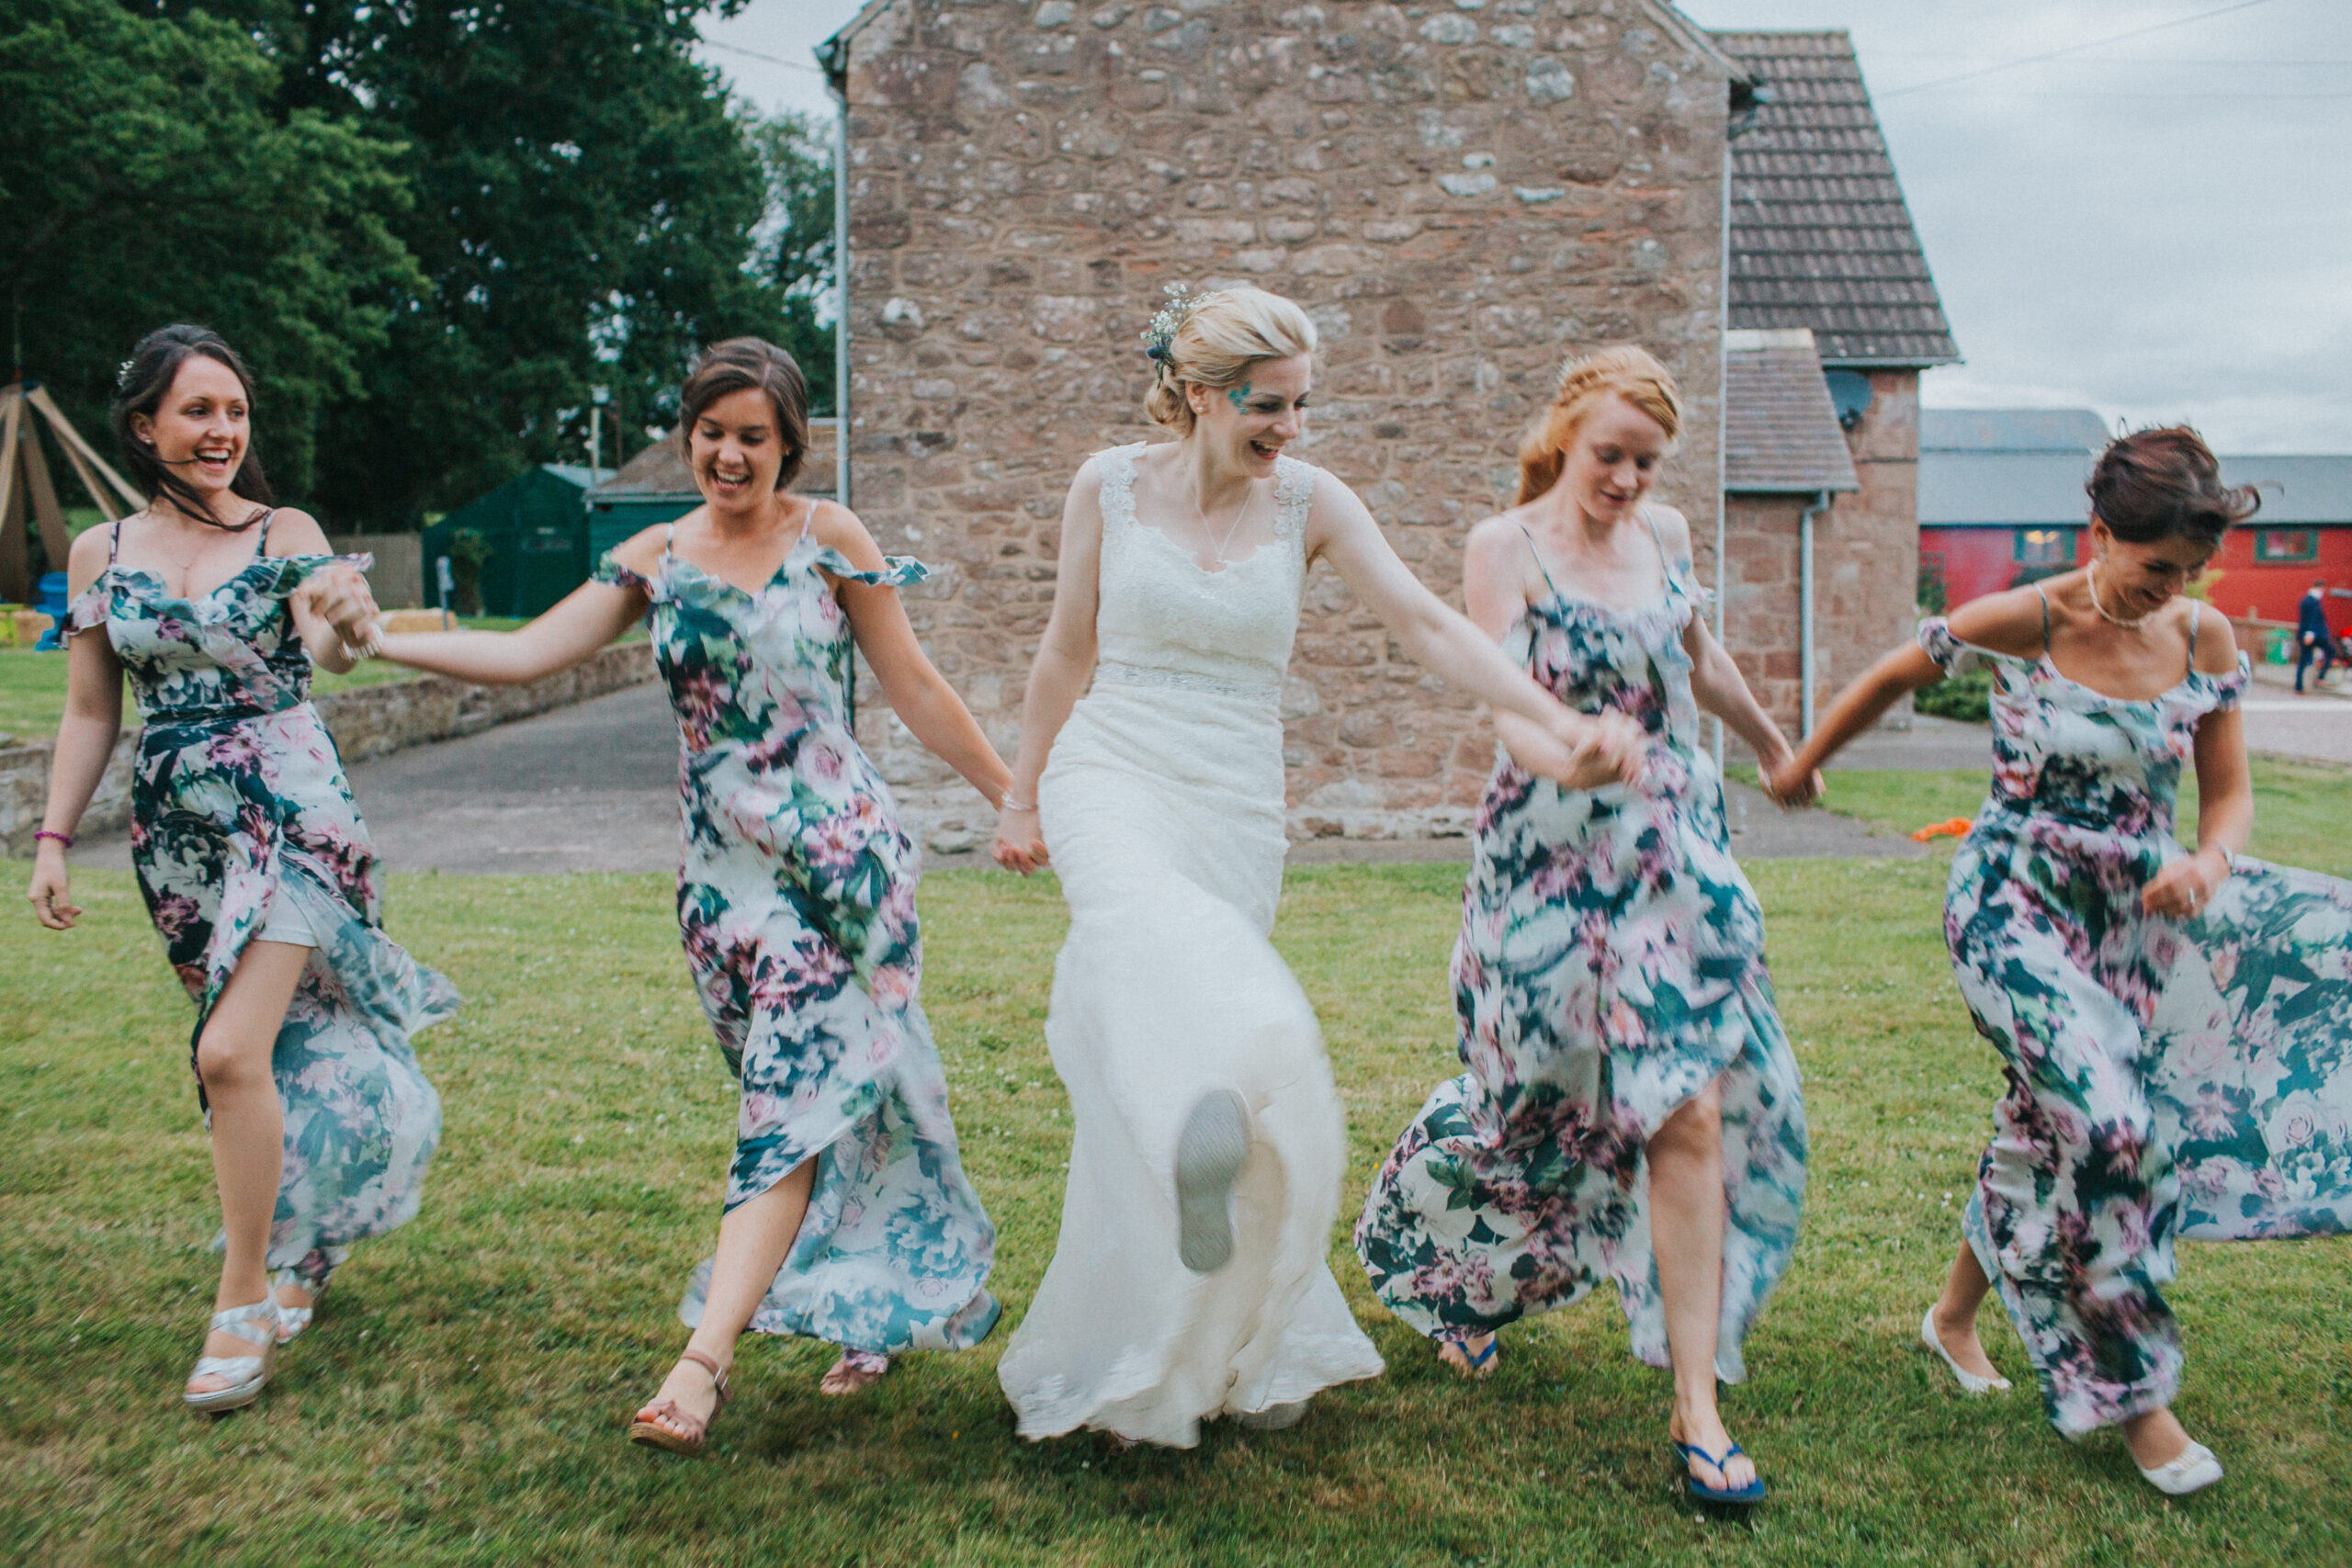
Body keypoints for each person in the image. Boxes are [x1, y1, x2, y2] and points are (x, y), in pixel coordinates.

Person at [988, 286, 1645, 1449]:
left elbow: (1429, 628)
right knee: (1145, 946)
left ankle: (1187, 1301)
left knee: (1199, 1048)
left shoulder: (1311, 502)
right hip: (1113, 763)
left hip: (1236, 795)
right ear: (1198, 394)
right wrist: (1021, 787)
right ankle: (1191, 1145)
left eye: (1301, 404)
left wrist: (1547, 712)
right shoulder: (1107, 484)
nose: (1288, 427)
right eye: (1265, 405)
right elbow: (1064, 646)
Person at [368, 339, 1009, 1454]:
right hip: (722, 885)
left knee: (786, 1105)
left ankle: (698, 1368)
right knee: (828, 1097)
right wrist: (380, 641)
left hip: (841, 866)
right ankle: (875, 1301)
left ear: (787, 443)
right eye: (710, 433)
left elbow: (910, 683)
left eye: (751, 436)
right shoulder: (653, 557)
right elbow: (530, 657)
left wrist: (1014, 796)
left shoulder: (831, 539)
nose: (727, 454)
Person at [1771, 426, 2352, 1496]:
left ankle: (1951, 1320)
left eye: (2185, 573)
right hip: (2010, 910)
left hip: (2130, 928)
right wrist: (1802, 761)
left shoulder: (2207, 639)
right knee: (2110, 1125)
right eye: (2151, 570)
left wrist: (2212, 862)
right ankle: (2134, 1400)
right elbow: (1897, 669)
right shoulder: (2025, 618)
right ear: (2098, 534)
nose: (2167, 592)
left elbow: (2226, 794)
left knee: (2044, 1127)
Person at [1354, 347, 1812, 1507]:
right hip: (1540, 864)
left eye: (1647, 464)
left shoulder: (1663, 538)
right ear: (1564, 434)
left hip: (1669, 855)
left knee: (1687, 1107)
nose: (1626, 481)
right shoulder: (1501, 549)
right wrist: (1575, 745)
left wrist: (1767, 743)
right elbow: (1506, 710)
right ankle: (1448, 1253)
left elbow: (1696, 659)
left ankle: (1696, 1406)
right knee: (1535, 1120)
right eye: (1611, 457)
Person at [26, 325, 453, 1413]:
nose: (223, 432)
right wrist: (51, 839)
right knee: (266, 1053)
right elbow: (89, 709)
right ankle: (304, 1248)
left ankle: (244, 1298)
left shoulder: (285, 530)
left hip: (292, 807)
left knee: (226, 1053)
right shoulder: (98, 552)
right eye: (198, 412)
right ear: (144, 427)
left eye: (235, 413)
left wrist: (353, 619)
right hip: (180, 832)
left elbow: (330, 642)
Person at [2295, 577, 2335, 692]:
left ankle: (2299, 686)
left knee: (2303, 660)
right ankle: (2320, 677)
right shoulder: (2314, 601)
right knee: (2331, 652)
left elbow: (2303, 619)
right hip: (2316, 635)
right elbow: (2313, 619)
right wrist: (2310, 633)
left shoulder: (2304, 600)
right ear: (2321, 588)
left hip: (2305, 634)